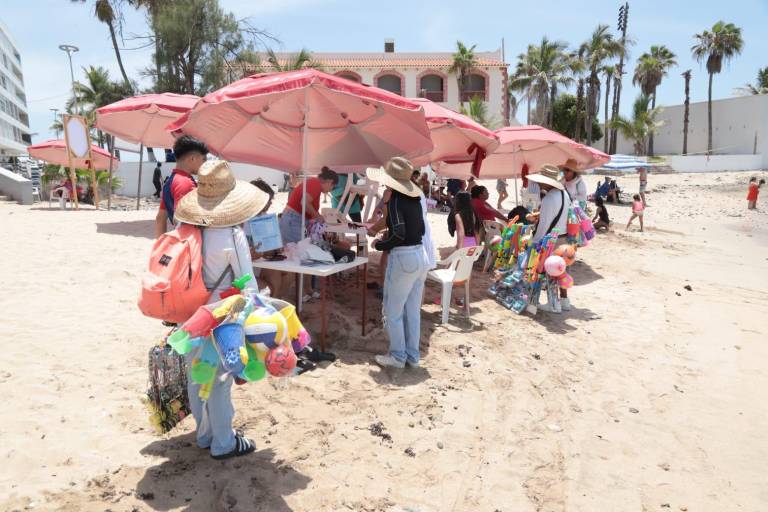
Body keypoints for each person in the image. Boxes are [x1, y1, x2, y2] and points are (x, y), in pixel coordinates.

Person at [173, 159, 269, 460]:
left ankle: (204, 435)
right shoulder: (232, 235)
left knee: (196, 375)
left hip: (188, 312)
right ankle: (223, 442)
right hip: (220, 316)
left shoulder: (185, 228)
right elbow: (249, 285)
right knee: (219, 380)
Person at [367, 157, 428, 369]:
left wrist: (380, 245)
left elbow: (399, 233)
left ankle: (398, 357)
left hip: (404, 258)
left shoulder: (395, 201)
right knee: (412, 311)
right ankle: (412, 355)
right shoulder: (414, 199)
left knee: (392, 311)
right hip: (420, 255)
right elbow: (418, 229)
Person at [527, 165, 573, 311]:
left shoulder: (549, 198)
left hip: (552, 240)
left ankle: (554, 305)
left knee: (551, 271)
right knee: (561, 270)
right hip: (564, 239)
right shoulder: (564, 194)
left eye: (541, 181)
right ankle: (564, 301)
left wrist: (534, 243)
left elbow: (544, 225)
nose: (539, 184)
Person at [155, 136, 208, 239]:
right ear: (192, 158)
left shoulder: (170, 181)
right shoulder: (186, 183)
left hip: (182, 242)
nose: (205, 164)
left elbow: (160, 218)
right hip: (189, 243)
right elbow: (182, 220)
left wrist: (160, 246)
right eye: (203, 159)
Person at [279, 167, 338, 243]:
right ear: (330, 182)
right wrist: (318, 216)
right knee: (297, 249)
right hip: (293, 220)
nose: (331, 190)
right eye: (333, 187)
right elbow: (304, 203)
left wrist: (317, 216)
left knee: (298, 249)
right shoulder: (315, 183)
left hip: (294, 219)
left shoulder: (314, 184)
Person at [248, 179, 286, 297]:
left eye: (270, 201)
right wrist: (249, 255)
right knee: (273, 279)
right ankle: (271, 306)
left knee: (286, 274)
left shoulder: (265, 218)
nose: (270, 204)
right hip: (243, 270)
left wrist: (275, 248)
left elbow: (268, 249)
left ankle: (275, 305)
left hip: (259, 263)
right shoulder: (239, 221)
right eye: (268, 201)